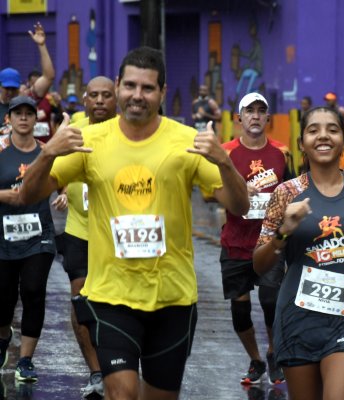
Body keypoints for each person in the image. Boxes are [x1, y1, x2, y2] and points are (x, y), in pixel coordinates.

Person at [18, 46, 249, 400]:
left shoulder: (187, 141)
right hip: (112, 296)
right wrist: (48, 152)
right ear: (117, 85)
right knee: (121, 391)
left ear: (162, 92)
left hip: (172, 298)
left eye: (147, 88)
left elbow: (238, 204)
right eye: (129, 86)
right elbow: (29, 195)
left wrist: (225, 163)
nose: (137, 95)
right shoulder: (89, 141)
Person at [253, 106, 344, 400]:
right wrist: (284, 231)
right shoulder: (286, 192)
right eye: (313, 130)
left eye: (332, 129)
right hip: (298, 320)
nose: (323, 136)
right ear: (302, 143)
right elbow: (259, 264)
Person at [220, 92, 290, 385]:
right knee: (240, 310)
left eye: (262, 111)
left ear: (268, 118)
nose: (256, 116)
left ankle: (274, 353)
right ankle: (256, 359)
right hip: (235, 241)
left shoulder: (281, 152)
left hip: (269, 241)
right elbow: (212, 191)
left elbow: (293, 189)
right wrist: (237, 192)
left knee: (271, 301)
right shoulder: (225, 153)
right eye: (250, 111)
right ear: (239, 117)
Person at [62, 76, 117, 399]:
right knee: (80, 301)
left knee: (115, 305)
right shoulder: (72, 130)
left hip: (115, 234)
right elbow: (51, 169)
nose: (99, 101)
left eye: (105, 96)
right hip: (79, 230)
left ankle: (119, 366)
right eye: (93, 95)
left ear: (116, 100)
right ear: (84, 100)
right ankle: (97, 372)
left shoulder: (128, 130)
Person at [0, 96, 56, 382]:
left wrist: (68, 193)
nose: (23, 118)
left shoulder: (47, 152)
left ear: (36, 120)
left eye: (29, 114)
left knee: (33, 291)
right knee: (4, 300)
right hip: (3, 237)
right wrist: (3, 195)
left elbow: (65, 176)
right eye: (17, 113)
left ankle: (25, 360)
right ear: (8, 119)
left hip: (39, 236)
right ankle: (3, 336)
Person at [0, 22, 55, 133]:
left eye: (13, 88)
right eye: (7, 88)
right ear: (0, 86)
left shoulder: (26, 100)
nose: (10, 92)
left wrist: (42, 45)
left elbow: (48, 77)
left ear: (20, 86)